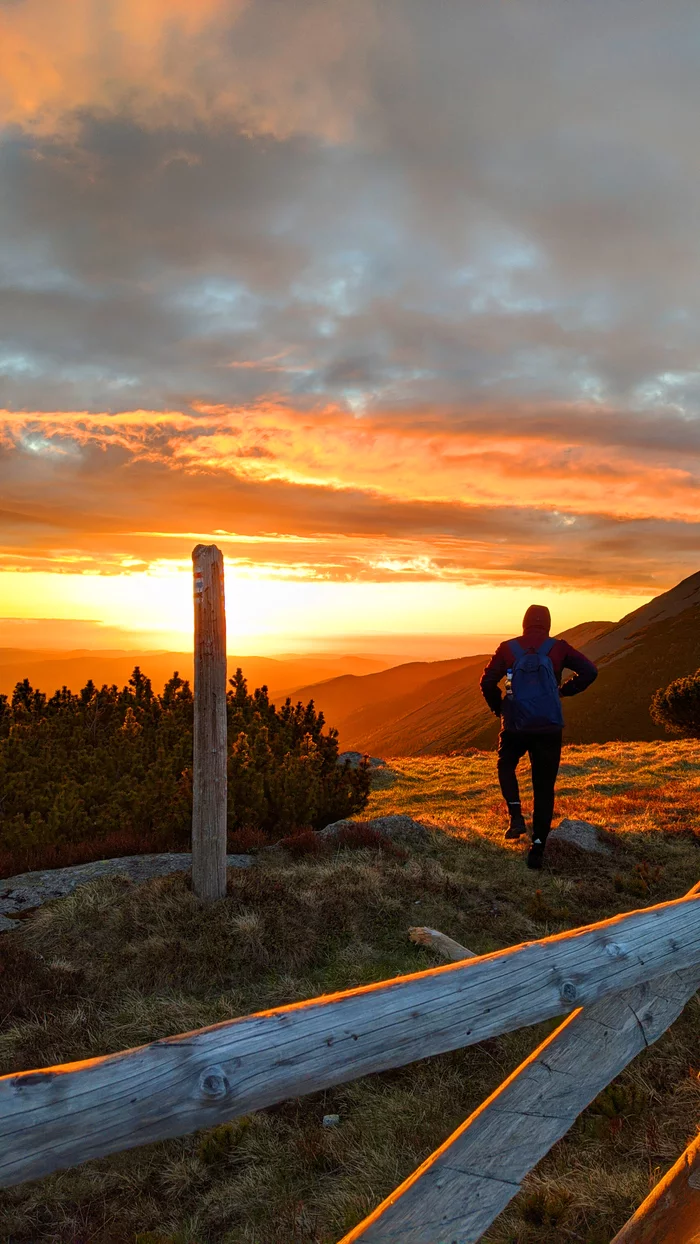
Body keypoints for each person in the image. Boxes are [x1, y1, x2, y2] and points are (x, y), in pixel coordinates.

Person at [480, 605, 598, 870]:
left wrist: (499, 708)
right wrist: (564, 691)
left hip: (515, 725)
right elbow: (590, 671)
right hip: (548, 727)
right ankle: (538, 847)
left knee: (506, 765)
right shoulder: (559, 648)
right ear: (547, 624)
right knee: (544, 786)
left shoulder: (508, 648)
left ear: (524, 623)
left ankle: (515, 815)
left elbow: (487, 682)